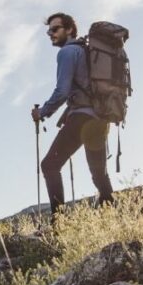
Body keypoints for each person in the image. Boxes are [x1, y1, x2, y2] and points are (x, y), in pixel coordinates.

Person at [30, 12, 115, 217]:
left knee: (49, 165)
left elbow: (62, 91)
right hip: (100, 118)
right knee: (98, 173)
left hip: (81, 118)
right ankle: (110, 213)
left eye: (55, 29)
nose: (51, 33)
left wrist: (42, 112)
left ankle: (59, 223)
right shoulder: (87, 51)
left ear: (69, 30)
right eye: (49, 30)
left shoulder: (67, 53)